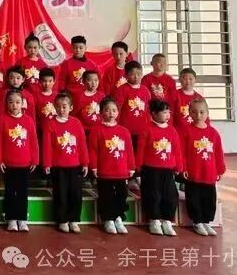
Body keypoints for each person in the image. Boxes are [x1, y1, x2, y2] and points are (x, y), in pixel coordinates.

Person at [136, 99, 184, 236]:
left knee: (170, 195)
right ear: (154, 114)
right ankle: (154, 220)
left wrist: (179, 166)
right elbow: (141, 149)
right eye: (164, 112)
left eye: (168, 112)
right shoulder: (147, 129)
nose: (167, 115)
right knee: (153, 194)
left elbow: (177, 150)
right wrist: (138, 165)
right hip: (151, 169)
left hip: (168, 169)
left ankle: (167, 220)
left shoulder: (172, 130)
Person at [42, 92, 88, 233]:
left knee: (75, 193)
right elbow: (47, 146)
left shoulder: (76, 123)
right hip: (58, 166)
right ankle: (62, 220)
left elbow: (82, 144)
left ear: (71, 107)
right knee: (60, 193)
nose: (61, 109)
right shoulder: (50, 124)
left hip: (74, 165)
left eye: (64, 106)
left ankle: (74, 219)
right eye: (58, 106)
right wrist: (47, 164)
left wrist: (85, 163)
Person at [88, 97, 135, 234]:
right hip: (104, 171)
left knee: (122, 195)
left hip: (121, 171)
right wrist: (94, 167)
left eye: (114, 110)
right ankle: (108, 219)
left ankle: (118, 217)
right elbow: (93, 150)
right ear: (101, 112)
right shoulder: (96, 130)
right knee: (106, 195)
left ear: (118, 112)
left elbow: (129, 150)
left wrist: (131, 167)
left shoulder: (124, 131)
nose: (111, 113)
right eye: (107, 110)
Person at [0, 90, 39, 232]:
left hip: (25, 163)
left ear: (23, 104)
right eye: (11, 102)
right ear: (6, 104)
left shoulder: (28, 121)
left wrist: (35, 160)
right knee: (10, 191)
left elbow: (33, 141)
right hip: (8, 164)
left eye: (17, 102)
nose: (14, 105)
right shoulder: (2, 120)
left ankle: (22, 219)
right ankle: (11, 219)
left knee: (22, 192)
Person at [181, 98, 226, 236]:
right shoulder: (186, 131)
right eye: (194, 112)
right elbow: (182, 152)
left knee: (209, 199)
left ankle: (206, 221)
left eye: (202, 112)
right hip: (193, 173)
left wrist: (220, 169)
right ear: (189, 113)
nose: (198, 115)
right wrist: (184, 168)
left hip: (209, 173)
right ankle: (197, 222)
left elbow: (218, 153)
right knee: (194, 198)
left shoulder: (213, 133)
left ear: (207, 113)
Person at [114, 61, 152, 152]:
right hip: (126, 128)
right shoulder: (122, 90)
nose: (136, 77)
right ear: (126, 75)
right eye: (132, 74)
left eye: (139, 74)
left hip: (142, 129)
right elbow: (117, 109)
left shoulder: (145, 90)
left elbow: (148, 110)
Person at [59, 35, 100, 103]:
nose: (78, 50)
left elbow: (98, 81)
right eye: (75, 47)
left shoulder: (92, 65)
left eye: (81, 48)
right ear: (71, 48)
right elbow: (62, 81)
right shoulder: (66, 64)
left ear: (85, 48)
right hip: (71, 98)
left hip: (89, 97)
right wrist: (62, 95)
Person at [173, 68, 206, 135]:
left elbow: (205, 116)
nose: (188, 81)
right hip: (178, 132)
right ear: (180, 79)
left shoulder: (200, 98)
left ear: (195, 80)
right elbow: (169, 114)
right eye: (184, 78)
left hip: (195, 132)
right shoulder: (174, 95)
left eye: (190, 79)